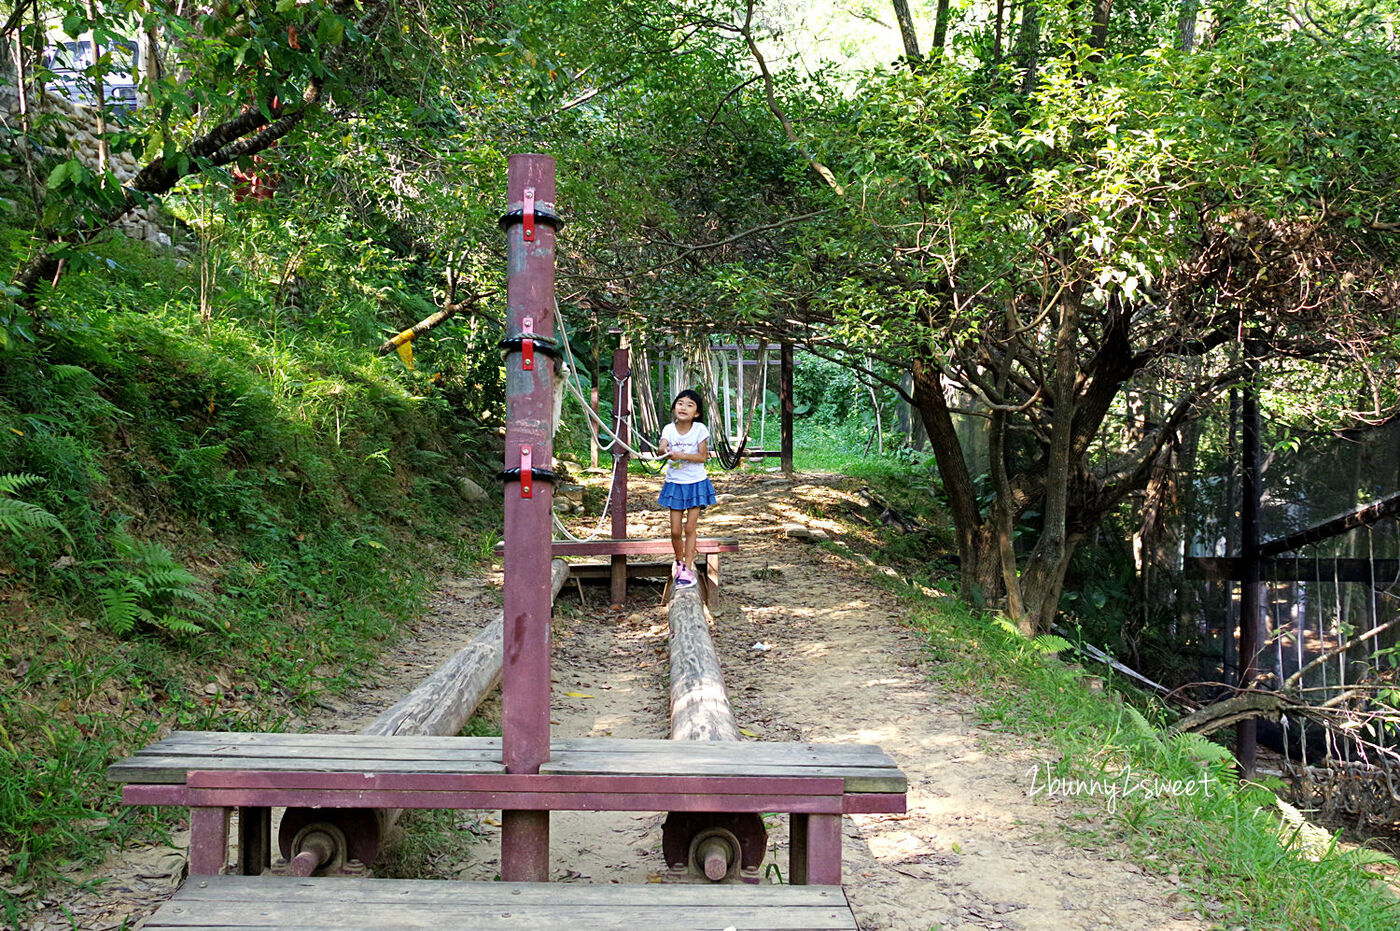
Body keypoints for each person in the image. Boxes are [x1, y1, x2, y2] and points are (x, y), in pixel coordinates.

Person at [657, 389, 716, 589]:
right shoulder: (668, 429)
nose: (684, 407)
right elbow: (661, 446)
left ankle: (687, 568)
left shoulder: (700, 429)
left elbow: (702, 457)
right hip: (675, 484)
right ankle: (679, 561)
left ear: (697, 413)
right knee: (675, 531)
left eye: (690, 405)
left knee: (690, 528)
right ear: (674, 407)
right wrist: (663, 450)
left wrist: (680, 455)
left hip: (696, 483)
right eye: (680, 403)